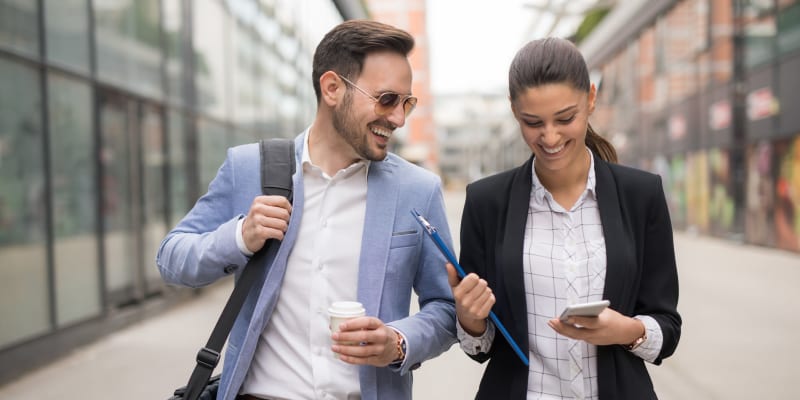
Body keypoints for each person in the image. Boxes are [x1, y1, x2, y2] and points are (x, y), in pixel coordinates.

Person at [157, 20, 457, 400]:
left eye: (406, 103)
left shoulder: (417, 189)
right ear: (332, 88)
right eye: (386, 99)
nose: (397, 118)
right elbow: (171, 258)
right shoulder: (249, 168)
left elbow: (447, 308)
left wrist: (398, 342)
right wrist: (239, 237)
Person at [448, 37, 681, 399]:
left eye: (565, 118)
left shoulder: (642, 195)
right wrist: (470, 319)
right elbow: (482, 347)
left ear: (591, 98)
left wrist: (626, 330)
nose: (550, 136)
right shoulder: (485, 202)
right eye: (533, 122)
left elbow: (667, 327)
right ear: (514, 111)